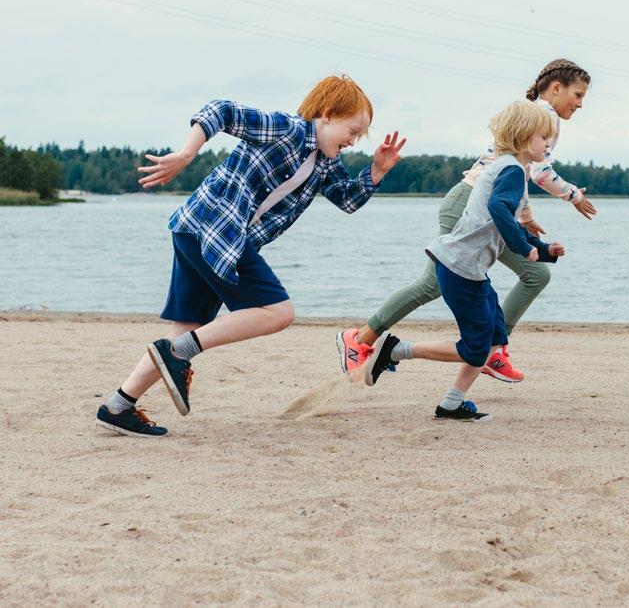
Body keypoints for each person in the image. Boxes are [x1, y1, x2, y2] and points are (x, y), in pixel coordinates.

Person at [95, 75, 405, 437]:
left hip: (197, 230)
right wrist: (185, 154)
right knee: (278, 312)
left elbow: (348, 200)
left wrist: (378, 171)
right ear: (327, 114)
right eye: (352, 130)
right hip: (216, 228)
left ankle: (118, 405)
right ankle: (178, 354)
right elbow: (221, 111)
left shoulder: (325, 163)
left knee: (185, 331)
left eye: (359, 136)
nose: (353, 141)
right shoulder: (286, 129)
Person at [337, 58, 594, 382]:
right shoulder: (546, 117)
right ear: (556, 88)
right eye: (578, 94)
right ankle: (359, 340)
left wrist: (525, 217)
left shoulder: (532, 115)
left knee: (536, 274)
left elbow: (519, 171)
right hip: (469, 205)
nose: (581, 104)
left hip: (489, 210)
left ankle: (494, 350)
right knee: (432, 285)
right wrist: (574, 196)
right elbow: (540, 172)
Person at [362, 99, 565, 421]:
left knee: (494, 338)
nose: (549, 144)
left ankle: (452, 403)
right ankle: (395, 349)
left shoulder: (508, 167)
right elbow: (500, 212)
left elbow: (507, 219)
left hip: (466, 269)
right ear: (525, 137)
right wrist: (529, 252)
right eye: (544, 138)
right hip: (461, 270)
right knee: (476, 348)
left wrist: (541, 247)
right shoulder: (511, 170)